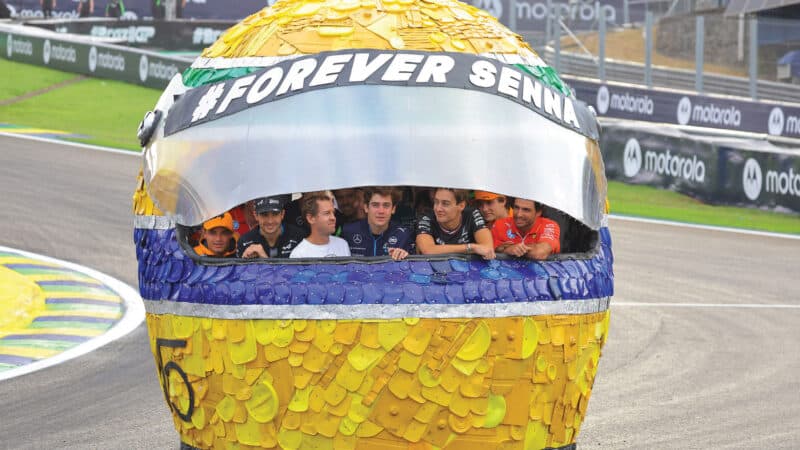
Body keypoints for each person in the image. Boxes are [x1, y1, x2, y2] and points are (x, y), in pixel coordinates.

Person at [415, 188, 495, 259]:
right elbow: (428, 250)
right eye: (436, 202)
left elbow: (487, 248)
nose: (438, 208)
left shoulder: (471, 214)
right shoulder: (426, 217)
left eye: (445, 204)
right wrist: (471, 248)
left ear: (461, 206)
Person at [342, 187, 414, 260]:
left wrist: (405, 256)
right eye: (375, 205)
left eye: (386, 205)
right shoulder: (348, 232)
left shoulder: (403, 235)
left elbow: (412, 267)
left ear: (393, 209)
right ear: (366, 207)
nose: (381, 211)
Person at [238, 195, 305, 259]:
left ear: (282, 214)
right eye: (264, 215)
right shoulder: (245, 241)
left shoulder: (298, 236)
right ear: (256, 215)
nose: (270, 221)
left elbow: (302, 270)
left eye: (275, 214)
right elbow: (240, 270)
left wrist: (264, 258)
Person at [492, 198, 560, 260]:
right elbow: (492, 250)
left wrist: (511, 249)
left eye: (526, 210)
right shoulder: (500, 224)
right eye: (516, 207)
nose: (519, 214)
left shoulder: (549, 225)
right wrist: (507, 250)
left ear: (538, 212)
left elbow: (539, 253)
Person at [290, 192, 351, 258]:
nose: (333, 218)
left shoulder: (342, 245)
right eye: (327, 213)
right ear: (310, 218)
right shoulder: (299, 254)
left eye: (333, 213)